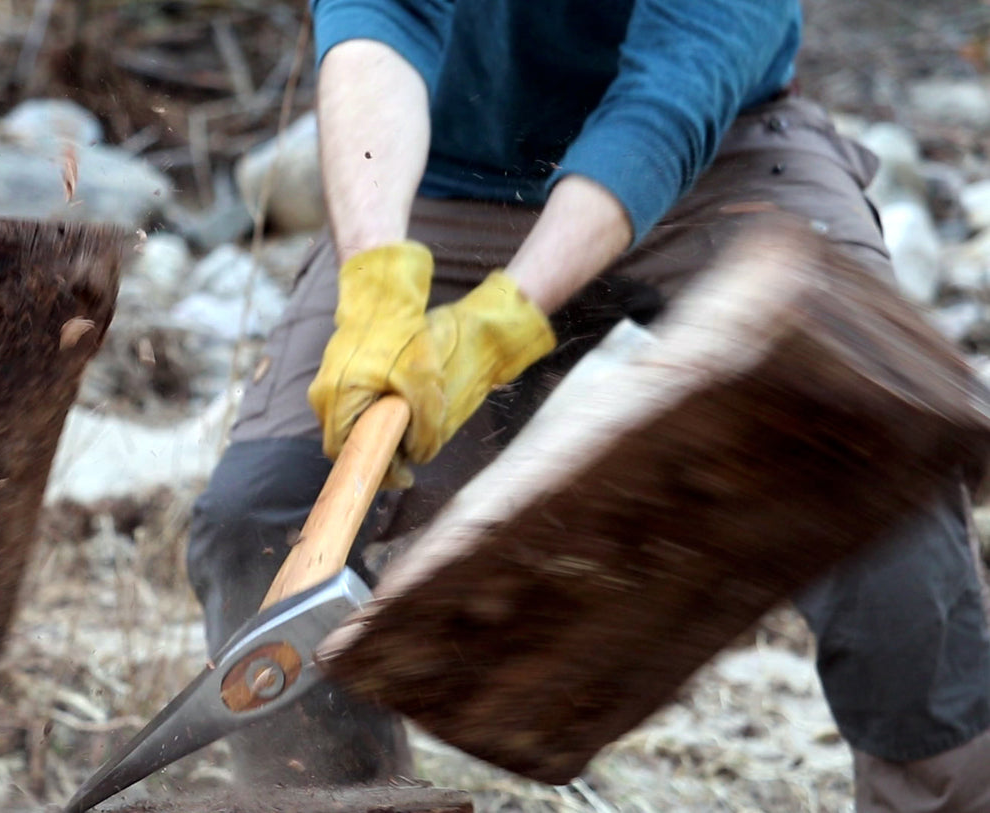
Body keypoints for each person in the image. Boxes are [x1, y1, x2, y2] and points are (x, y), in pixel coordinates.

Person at [186, 1, 990, 810]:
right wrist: (373, 276)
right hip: (447, 172)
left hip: (722, 159)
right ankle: (324, 797)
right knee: (266, 513)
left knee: (873, 458)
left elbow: (668, 101)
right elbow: (380, 16)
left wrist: (502, 321)